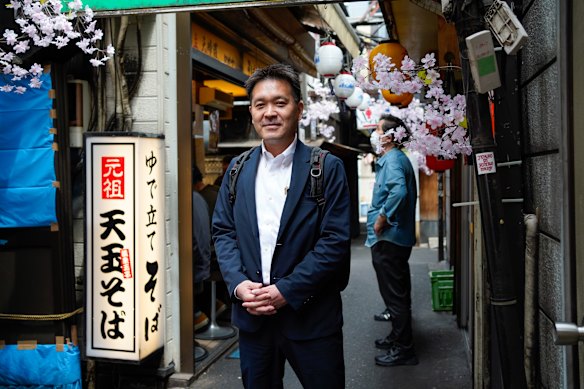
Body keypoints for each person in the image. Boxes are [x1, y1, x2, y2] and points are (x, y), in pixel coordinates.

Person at [212, 63, 351, 388]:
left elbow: (334, 241)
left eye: (280, 102)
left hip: (312, 319)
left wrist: (285, 291)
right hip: (253, 321)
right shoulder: (236, 169)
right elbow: (223, 232)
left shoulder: (326, 168)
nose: (269, 113)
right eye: (260, 104)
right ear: (252, 113)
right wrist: (237, 284)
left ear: (299, 109)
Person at [365, 114, 418, 367]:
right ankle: (398, 338)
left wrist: (382, 218)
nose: (375, 133)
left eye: (377, 130)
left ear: (388, 136)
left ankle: (404, 349)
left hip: (390, 237)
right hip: (395, 237)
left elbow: (398, 190)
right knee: (398, 292)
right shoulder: (394, 159)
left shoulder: (393, 160)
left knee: (395, 295)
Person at [192, 169, 211, 331]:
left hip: (197, 269)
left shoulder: (186, 200)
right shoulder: (199, 198)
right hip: (207, 262)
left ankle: (196, 315)